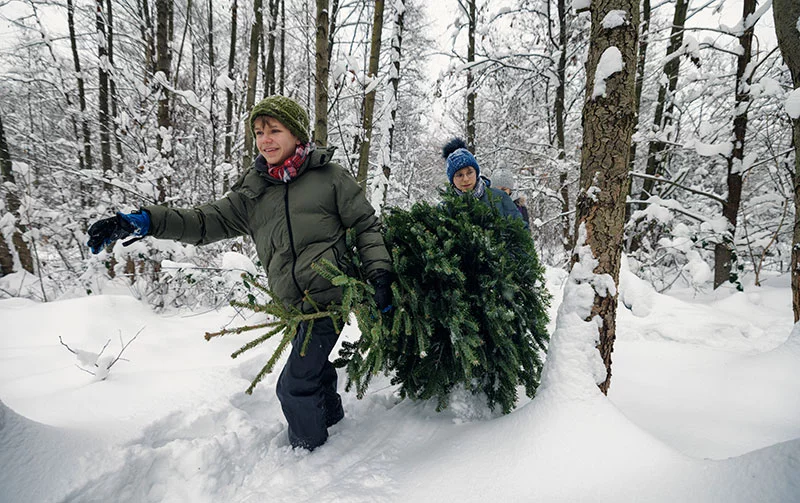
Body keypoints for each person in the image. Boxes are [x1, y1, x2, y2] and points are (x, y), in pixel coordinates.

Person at [86, 95, 393, 451]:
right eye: (259, 132)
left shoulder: (330, 178)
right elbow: (202, 222)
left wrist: (380, 275)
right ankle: (332, 423)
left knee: (294, 387)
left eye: (275, 130)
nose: (266, 139)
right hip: (294, 305)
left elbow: (366, 226)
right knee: (315, 371)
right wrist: (144, 221)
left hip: (331, 301)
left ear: (296, 134)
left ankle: (311, 453)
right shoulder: (253, 192)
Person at [442, 138, 524, 224]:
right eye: (459, 175)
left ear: (476, 173)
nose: (465, 179)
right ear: (452, 179)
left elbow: (521, 229)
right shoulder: (445, 208)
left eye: (470, 172)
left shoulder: (499, 198)